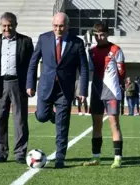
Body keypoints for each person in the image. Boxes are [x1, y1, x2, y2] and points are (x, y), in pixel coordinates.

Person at [26, 12, 89, 168]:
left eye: (61, 26)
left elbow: (84, 68)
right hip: (46, 86)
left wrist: (82, 90)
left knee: (62, 125)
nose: (58, 29)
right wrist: (30, 84)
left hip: (65, 90)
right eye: (55, 26)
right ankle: (52, 116)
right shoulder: (43, 38)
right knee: (41, 116)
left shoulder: (77, 43)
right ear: (52, 25)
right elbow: (33, 62)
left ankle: (60, 157)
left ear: (67, 26)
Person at [0, 12, 34, 164]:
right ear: (1, 26)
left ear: (15, 25)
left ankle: (20, 153)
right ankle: (1, 152)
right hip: (0, 84)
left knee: (20, 120)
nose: (7, 29)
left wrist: (31, 85)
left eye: (10, 25)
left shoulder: (26, 41)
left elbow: (31, 66)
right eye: (4, 26)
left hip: (18, 84)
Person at [82, 21, 126, 169]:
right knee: (96, 125)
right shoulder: (91, 51)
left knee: (114, 124)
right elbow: (88, 70)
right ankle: (96, 157)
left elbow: (122, 72)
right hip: (96, 92)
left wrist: (117, 87)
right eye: (97, 35)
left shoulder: (116, 50)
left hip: (111, 93)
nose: (99, 38)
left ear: (107, 34)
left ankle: (118, 158)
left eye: (102, 35)